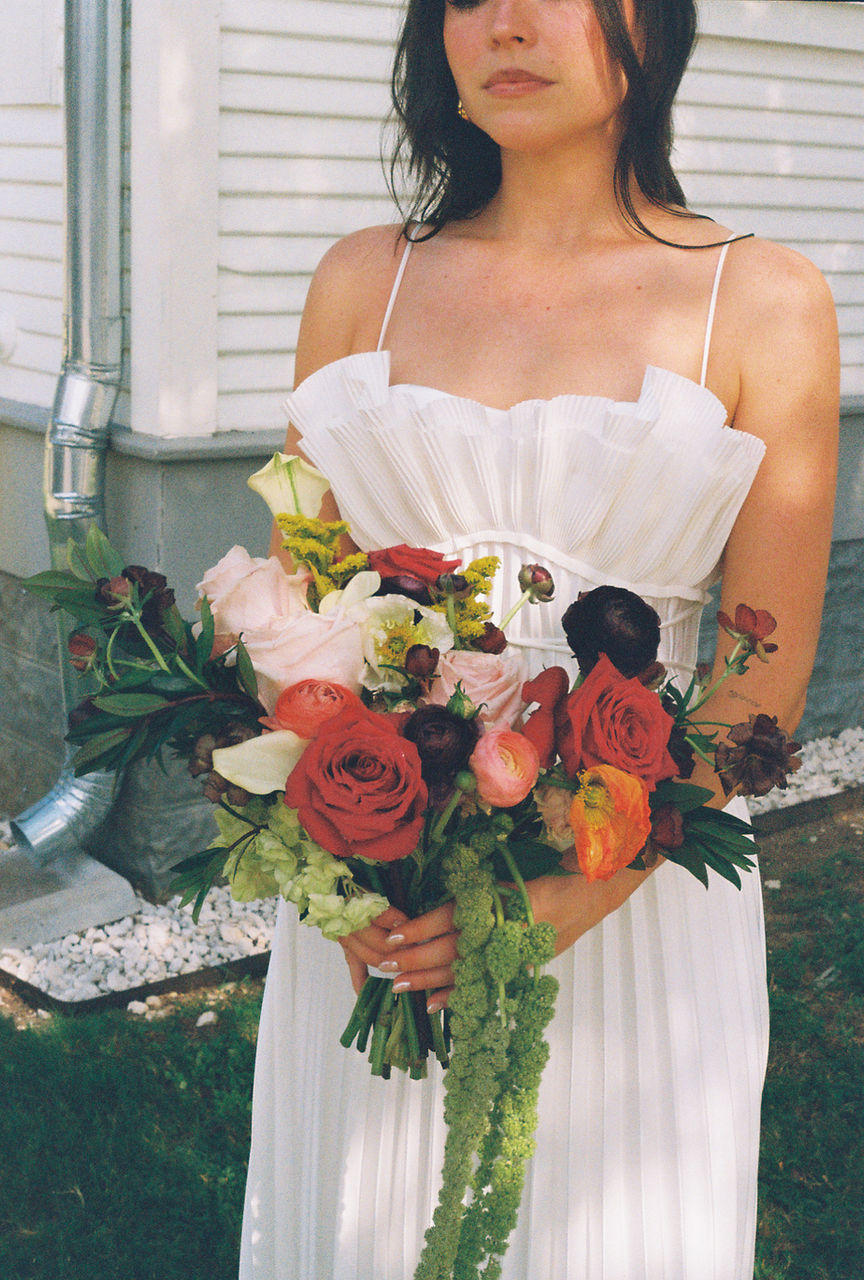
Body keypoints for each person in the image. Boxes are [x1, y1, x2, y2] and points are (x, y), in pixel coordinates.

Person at [239, 1, 839, 1276]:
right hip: (383, 921)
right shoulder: (365, 279)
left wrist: (569, 895)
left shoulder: (763, 300)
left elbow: (762, 675)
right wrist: (343, 882)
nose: (505, 22)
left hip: (625, 905)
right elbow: (297, 625)